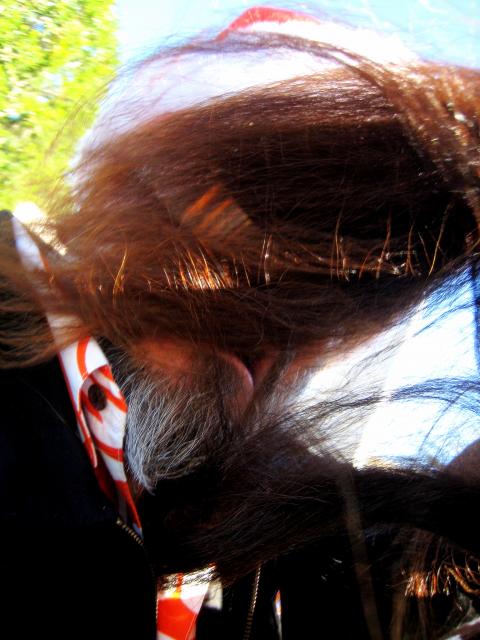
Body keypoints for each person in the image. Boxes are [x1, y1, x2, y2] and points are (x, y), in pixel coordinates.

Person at [1, 5, 480, 639]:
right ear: (130, 189)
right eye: (275, 228)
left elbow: (399, 583)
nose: (295, 324)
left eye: (365, 289)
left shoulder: (255, 538)